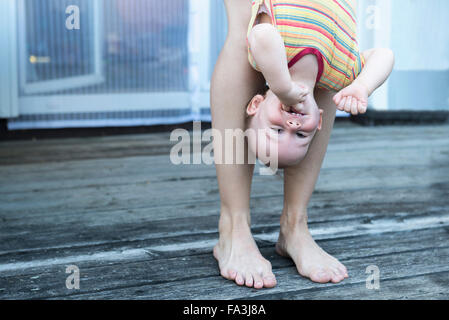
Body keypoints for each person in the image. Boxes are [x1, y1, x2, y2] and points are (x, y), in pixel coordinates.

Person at [210, 0, 394, 289]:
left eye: (277, 129)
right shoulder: (344, 71)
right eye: (299, 135)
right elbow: (383, 56)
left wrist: (282, 86)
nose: (293, 124)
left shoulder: (271, 48)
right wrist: (362, 86)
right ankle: (234, 227)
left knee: (250, 31)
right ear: (316, 122)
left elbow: (261, 36)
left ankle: (294, 225)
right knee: (243, 22)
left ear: (256, 104)